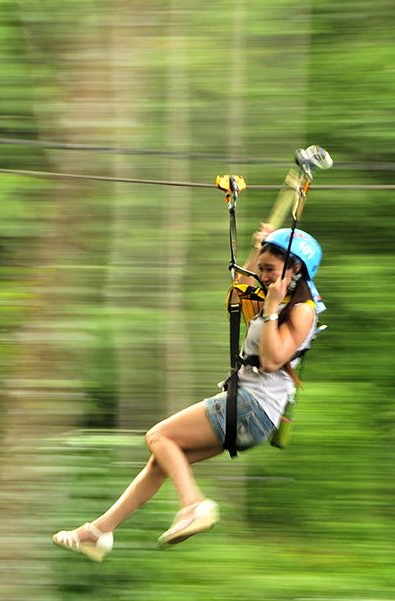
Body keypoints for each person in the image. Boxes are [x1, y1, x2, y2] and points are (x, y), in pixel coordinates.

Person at [52, 223, 324, 560]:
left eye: (270, 270)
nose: (264, 276)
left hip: (251, 407)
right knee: (161, 461)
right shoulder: (276, 300)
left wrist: (269, 310)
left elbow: (271, 361)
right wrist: (258, 250)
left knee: (158, 436)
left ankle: (193, 505)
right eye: (263, 269)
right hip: (250, 411)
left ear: (295, 269)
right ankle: (99, 531)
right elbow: (238, 294)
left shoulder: (300, 310)